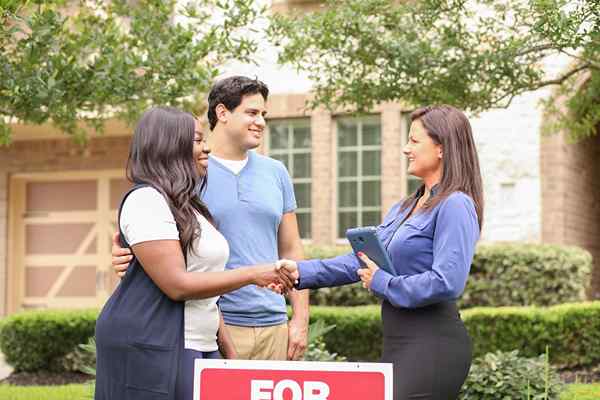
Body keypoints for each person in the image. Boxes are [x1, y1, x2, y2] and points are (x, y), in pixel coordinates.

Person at [279, 105, 483, 400]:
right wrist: (300, 272)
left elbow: (447, 281)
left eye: (414, 141)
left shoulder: (455, 204)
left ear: (441, 147)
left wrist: (382, 282)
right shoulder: (403, 208)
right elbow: (362, 261)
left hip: (433, 345)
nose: (405, 149)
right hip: (398, 342)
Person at [95, 107, 297, 400]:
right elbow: (178, 285)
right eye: (197, 140)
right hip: (151, 344)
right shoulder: (146, 201)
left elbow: (207, 289)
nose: (206, 148)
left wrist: (228, 352)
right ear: (169, 145)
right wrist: (254, 274)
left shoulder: (190, 207)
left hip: (200, 343)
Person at [111, 76, 309, 361]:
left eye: (263, 114)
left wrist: (299, 319)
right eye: (252, 113)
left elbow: (291, 248)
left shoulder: (276, 173)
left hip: (273, 323)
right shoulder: (189, 171)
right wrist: (127, 256)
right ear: (222, 113)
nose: (261, 122)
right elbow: (156, 237)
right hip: (215, 324)